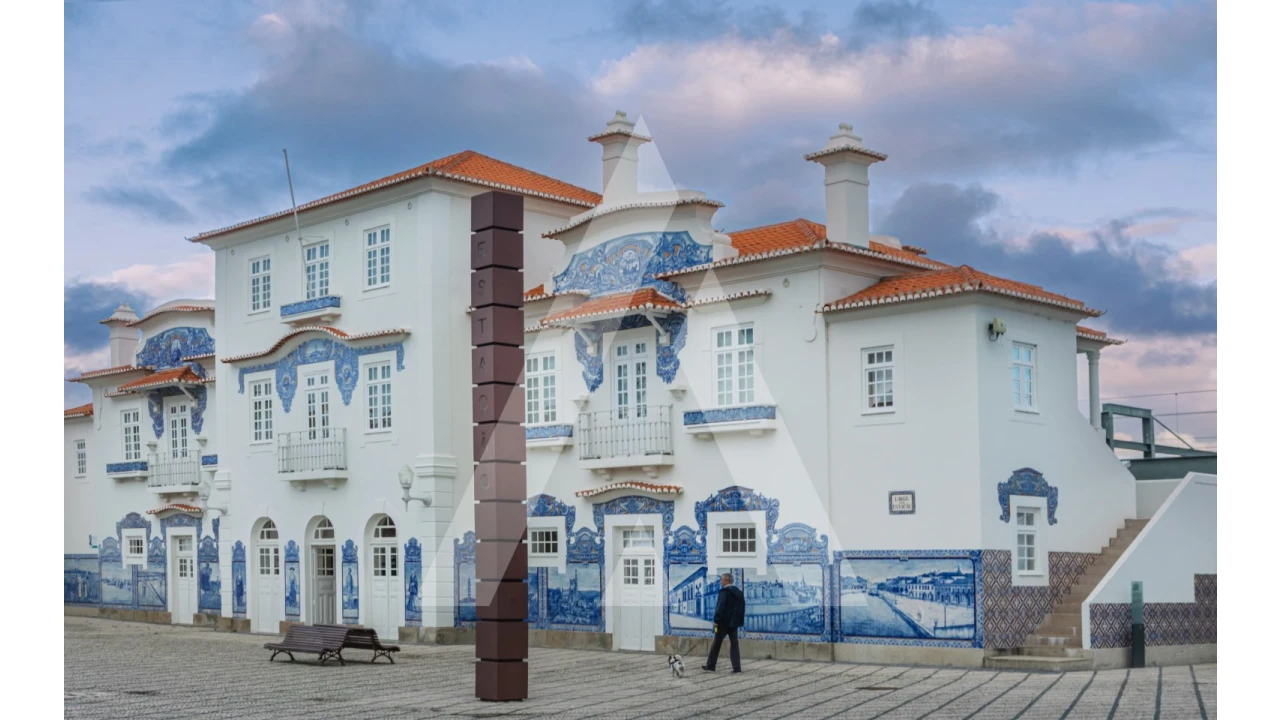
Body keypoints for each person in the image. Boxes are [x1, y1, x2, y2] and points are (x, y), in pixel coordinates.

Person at [703, 572, 745, 673]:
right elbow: (742, 608)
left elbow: (720, 607)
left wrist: (716, 621)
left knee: (716, 644)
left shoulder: (724, 592)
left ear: (727, 580)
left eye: (721, 579)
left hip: (722, 624)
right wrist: (738, 621)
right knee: (734, 645)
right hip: (734, 624)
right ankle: (737, 668)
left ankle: (710, 666)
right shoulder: (739, 593)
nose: (720, 581)